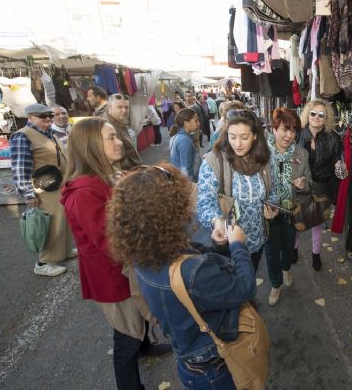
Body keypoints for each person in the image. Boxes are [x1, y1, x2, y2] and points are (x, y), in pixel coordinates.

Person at [107, 164, 256, 390]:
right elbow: (244, 288)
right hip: (213, 367)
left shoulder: (142, 255)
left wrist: (208, 247)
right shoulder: (192, 272)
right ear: (171, 210)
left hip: (188, 358)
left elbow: (183, 259)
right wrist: (238, 245)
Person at [60, 117, 151, 390]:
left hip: (122, 269)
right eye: (111, 137)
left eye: (117, 136)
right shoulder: (85, 191)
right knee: (126, 336)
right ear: (90, 146)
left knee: (137, 322)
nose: (120, 141)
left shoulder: (104, 176)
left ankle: (146, 347)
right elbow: (111, 242)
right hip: (113, 276)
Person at [197, 109, 278, 271]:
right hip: (228, 244)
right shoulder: (214, 162)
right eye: (232, 137)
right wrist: (217, 222)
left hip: (257, 239)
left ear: (255, 136)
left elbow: (273, 190)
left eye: (244, 137)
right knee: (230, 288)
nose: (237, 144)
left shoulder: (267, 159)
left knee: (249, 278)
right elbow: (205, 203)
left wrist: (272, 206)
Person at [9, 103, 75, 276]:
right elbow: (20, 168)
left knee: (63, 222)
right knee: (49, 225)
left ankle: (62, 252)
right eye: (42, 116)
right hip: (44, 189)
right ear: (30, 117)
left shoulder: (48, 132)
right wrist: (28, 193)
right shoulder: (23, 136)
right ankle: (43, 262)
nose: (48, 119)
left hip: (57, 185)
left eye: (49, 116)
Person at [264, 108, 312, 306]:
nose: (289, 135)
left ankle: (286, 270)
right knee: (271, 250)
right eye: (285, 129)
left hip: (291, 210)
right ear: (274, 128)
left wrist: (303, 184)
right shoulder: (261, 152)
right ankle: (276, 285)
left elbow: (309, 182)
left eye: (293, 131)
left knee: (288, 246)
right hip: (269, 212)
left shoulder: (301, 153)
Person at [297, 99, 342, 271]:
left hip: (322, 186)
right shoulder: (298, 134)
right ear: (307, 114)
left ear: (326, 118)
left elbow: (337, 158)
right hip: (300, 185)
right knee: (297, 219)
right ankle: (294, 249)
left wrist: (339, 165)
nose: (316, 117)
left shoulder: (332, 138)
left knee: (317, 222)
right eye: (313, 113)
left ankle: (316, 254)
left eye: (321, 115)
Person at [106, 94, 141, 170]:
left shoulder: (118, 122)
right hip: (126, 174)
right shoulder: (109, 127)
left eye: (126, 107)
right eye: (119, 107)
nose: (124, 110)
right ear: (109, 107)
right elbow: (115, 160)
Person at [169, 108, 201, 180]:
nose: (199, 123)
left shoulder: (178, 136)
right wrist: (191, 187)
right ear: (186, 123)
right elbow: (186, 170)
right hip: (188, 183)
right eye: (196, 121)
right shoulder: (184, 141)